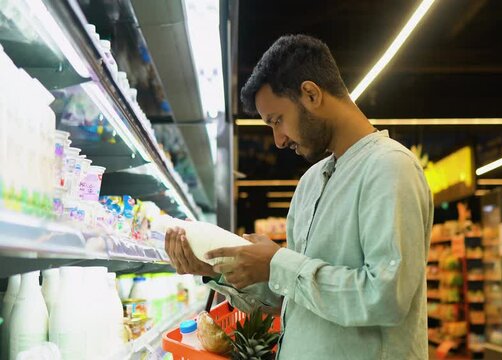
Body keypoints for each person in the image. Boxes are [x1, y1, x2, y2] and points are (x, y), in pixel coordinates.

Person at [164, 34, 433, 360]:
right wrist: (217, 268)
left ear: (311, 93)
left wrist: (278, 264)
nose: (278, 140)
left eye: (277, 121)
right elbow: (295, 295)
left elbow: (386, 297)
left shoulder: (389, 167)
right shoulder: (310, 183)